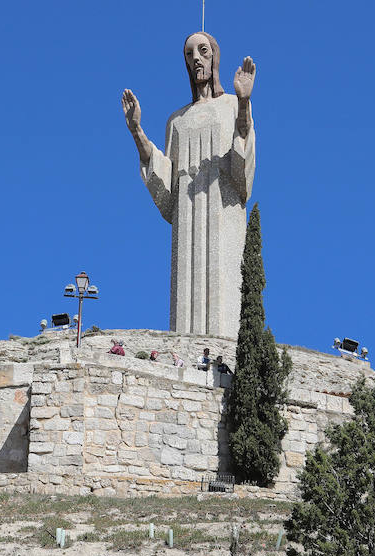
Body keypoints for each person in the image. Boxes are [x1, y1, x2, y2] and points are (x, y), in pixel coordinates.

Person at [121, 33, 256, 336]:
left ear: (214, 57)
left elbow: (243, 161)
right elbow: (165, 180)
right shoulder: (176, 121)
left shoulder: (233, 105)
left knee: (227, 293)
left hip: (224, 212)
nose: (196, 58)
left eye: (202, 51)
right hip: (188, 221)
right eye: (189, 53)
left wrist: (245, 101)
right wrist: (136, 130)